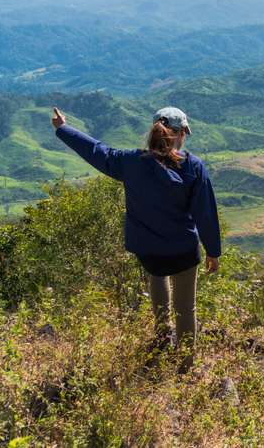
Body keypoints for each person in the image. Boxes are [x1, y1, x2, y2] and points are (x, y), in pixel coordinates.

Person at [51, 106, 220, 369]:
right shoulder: (193, 167)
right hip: (183, 250)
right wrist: (213, 250)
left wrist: (63, 128)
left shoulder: (130, 163)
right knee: (186, 309)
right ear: (180, 134)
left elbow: (96, 150)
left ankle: (162, 338)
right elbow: (205, 212)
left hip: (148, 249)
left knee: (157, 277)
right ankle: (186, 366)